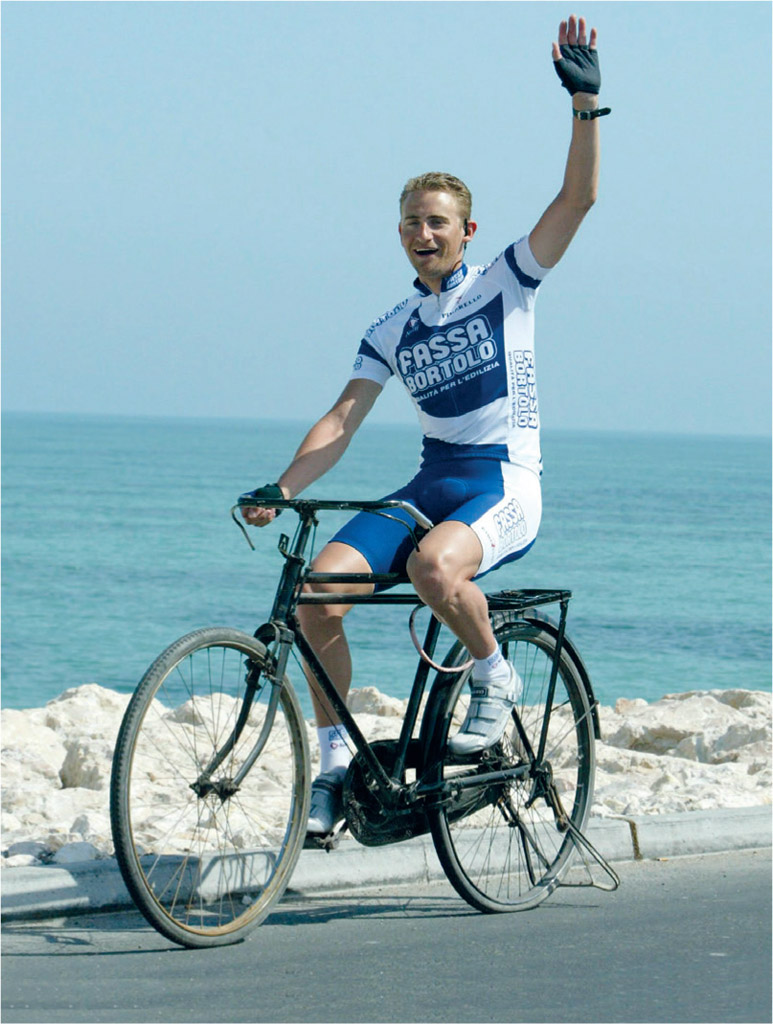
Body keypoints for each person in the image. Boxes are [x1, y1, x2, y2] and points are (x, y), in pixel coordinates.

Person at [242, 15, 609, 836]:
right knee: (315, 597)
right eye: (411, 221)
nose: (423, 232)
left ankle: (493, 670)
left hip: (502, 481)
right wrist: (284, 486)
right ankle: (335, 764)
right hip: (430, 480)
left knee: (438, 567)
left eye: (437, 221)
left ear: (465, 231)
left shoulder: (506, 280)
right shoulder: (389, 326)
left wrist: (583, 102)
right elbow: (343, 416)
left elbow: (577, 199)